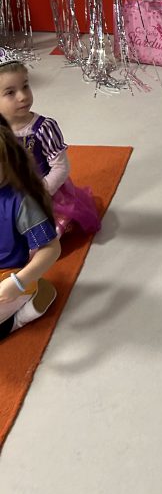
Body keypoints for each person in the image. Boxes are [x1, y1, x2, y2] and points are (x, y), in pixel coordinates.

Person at [0, 54, 100, 238]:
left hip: (43, 192)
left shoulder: (43, 128)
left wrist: (41, 193)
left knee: (44, 236)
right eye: (10, 92)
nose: (23, 96)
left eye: (25, 86)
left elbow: (61, 167)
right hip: (10, 192)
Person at [0, 113, 61, 340]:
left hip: (9, 278)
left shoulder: (20, 201)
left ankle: (24, 312)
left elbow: (51, 248)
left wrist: (18, 282)